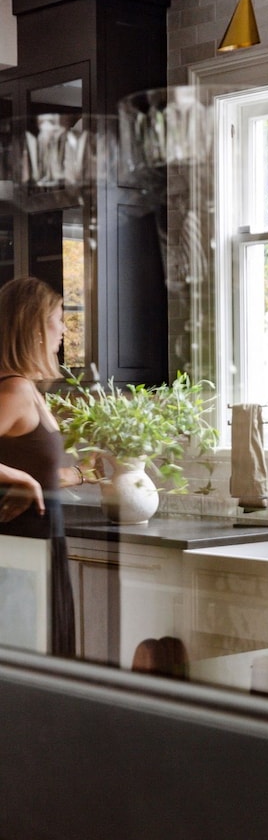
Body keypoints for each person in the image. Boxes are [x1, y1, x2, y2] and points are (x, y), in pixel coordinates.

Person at [0, 277, 90, 657]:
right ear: (35, 328)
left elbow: (37, 468)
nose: (63, 330)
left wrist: (84, 473)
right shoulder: (15, 389)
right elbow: (24, 472)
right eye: (58, 319)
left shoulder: (30, 391)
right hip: (17, 558)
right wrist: (17, 477)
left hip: (39, 551)